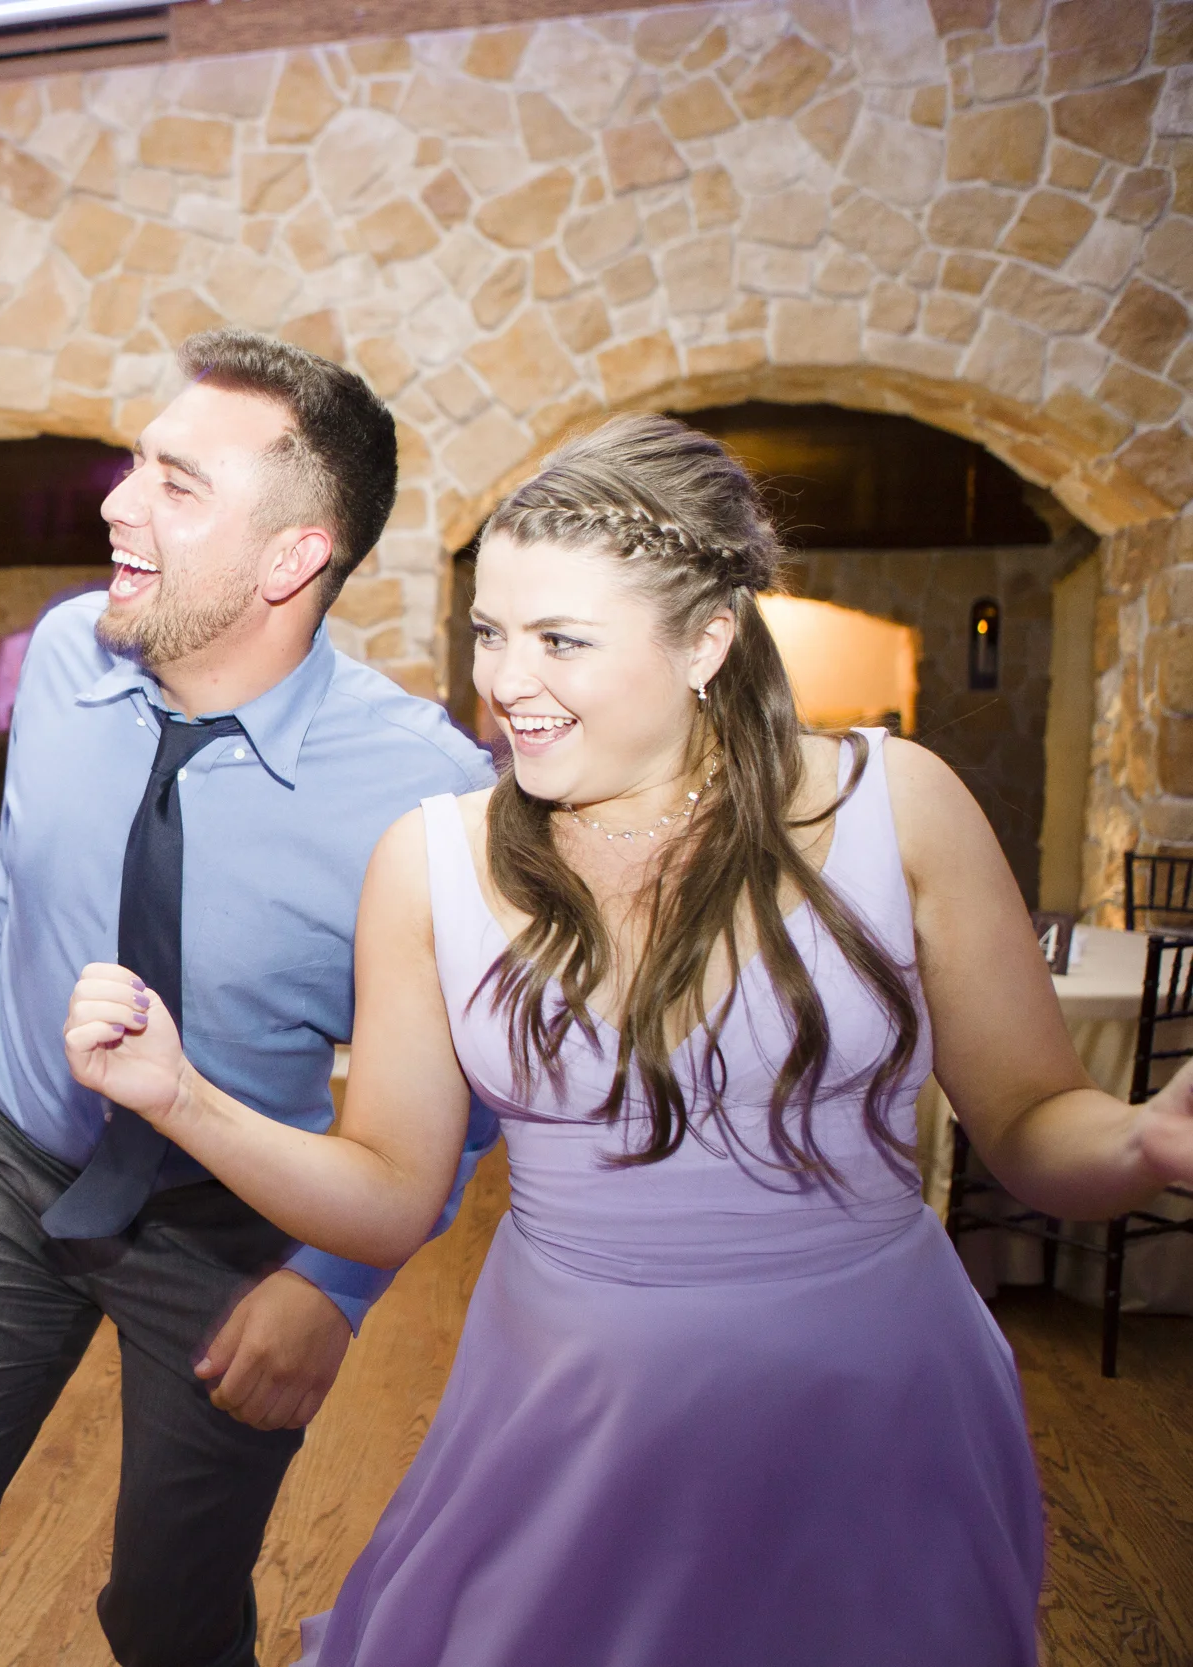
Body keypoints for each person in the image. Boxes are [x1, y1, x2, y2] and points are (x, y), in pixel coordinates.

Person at [60, 414, 1193, 1666]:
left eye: (560, 639)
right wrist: (181, 1096)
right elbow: (386, 1195)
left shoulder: (897, 806)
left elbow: (1031, 1123)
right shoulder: (430, 862)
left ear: (706, 639)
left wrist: (1143, 1140)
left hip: (871, 1410)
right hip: (569, 1413)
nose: (505, 680)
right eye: (490, 631)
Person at [0, 331, 495, 1667]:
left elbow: (468, 1086)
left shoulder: (423, 790)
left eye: (177, 483)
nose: (118, 503)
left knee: (171, 1613)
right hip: (17, 1161)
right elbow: (21, 879)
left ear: (293, 557)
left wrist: (333, 1284)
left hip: (233, 1221)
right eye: (138, 463)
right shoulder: (66, 660)